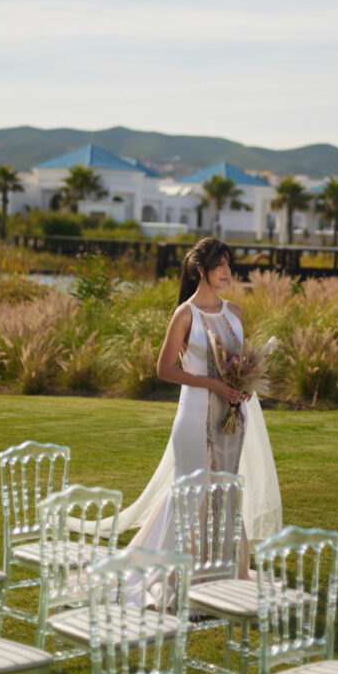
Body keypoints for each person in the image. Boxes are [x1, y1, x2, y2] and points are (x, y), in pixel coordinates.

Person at [118, 236, 282, 562]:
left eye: (228, 263)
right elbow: (164, 369)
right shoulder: (184, 314)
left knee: (227, 488)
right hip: (192, 416)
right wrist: (211, 383)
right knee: (191, 491)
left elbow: (238, 363)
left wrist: (243, 384)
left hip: (231, 417)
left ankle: (226, 567)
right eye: (218, 264)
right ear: (200, 268)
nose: (226, 270)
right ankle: (182, 571)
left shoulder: (235, 312)